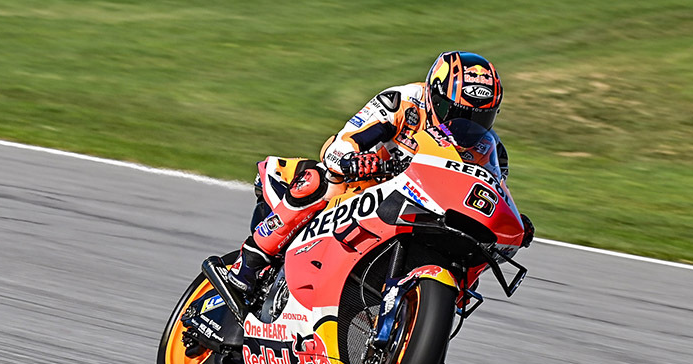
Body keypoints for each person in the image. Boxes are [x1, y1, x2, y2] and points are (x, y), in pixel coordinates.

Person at [226, 51, 534, 301]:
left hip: (425, 207)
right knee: (320, 182)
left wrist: (512, 221)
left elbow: (490, 192)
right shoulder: (402, 102)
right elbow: (337, 148)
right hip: (364, 186)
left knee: (472, 260)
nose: (466, 126)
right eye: (457, 113)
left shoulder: (488, 147)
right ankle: (249, 264)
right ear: (434, 96)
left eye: (480, 118)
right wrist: (357, 163)